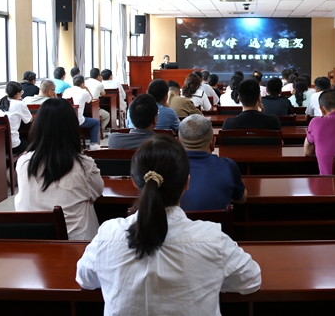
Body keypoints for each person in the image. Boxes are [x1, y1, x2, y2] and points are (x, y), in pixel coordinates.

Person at [76, 135, 261, 315]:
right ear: (187, 183)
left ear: (134, 181)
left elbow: (85, 279)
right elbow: (251, 280)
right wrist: (214, 276)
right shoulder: (213, 239)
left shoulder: (107, 235)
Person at [15, 98, 104, 240]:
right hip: (76, 243)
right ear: (72, 127)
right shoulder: (83, 164)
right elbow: (97, 191)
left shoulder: (24, 162)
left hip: (33, 240)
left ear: (38, 126)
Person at [178, 114, 247, 210]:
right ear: (212, 142)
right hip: (220, 220)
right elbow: (241, 199)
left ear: (178, 142)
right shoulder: (228, 166)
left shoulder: (167, 168)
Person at [0, 81, 32, 155]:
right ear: (17, 94)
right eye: (21, 92)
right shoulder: (20, 104)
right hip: (13, 145)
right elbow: (29, 120)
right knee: (28, 143)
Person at [63, 75, 101, 151]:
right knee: (96, 122)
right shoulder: (83, 92)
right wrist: (87, 89)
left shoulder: (66, 91)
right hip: (77, 120)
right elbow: (90, 100)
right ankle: (93, 144)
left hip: (65, 119)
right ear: (82, 84)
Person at [85, 68, 110, 132]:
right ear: (98, 76)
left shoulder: (84, 82)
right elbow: (103, 94)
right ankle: (99, 131)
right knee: (107, 116)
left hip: (84, 110)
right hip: (94, 109)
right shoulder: (99, 84)